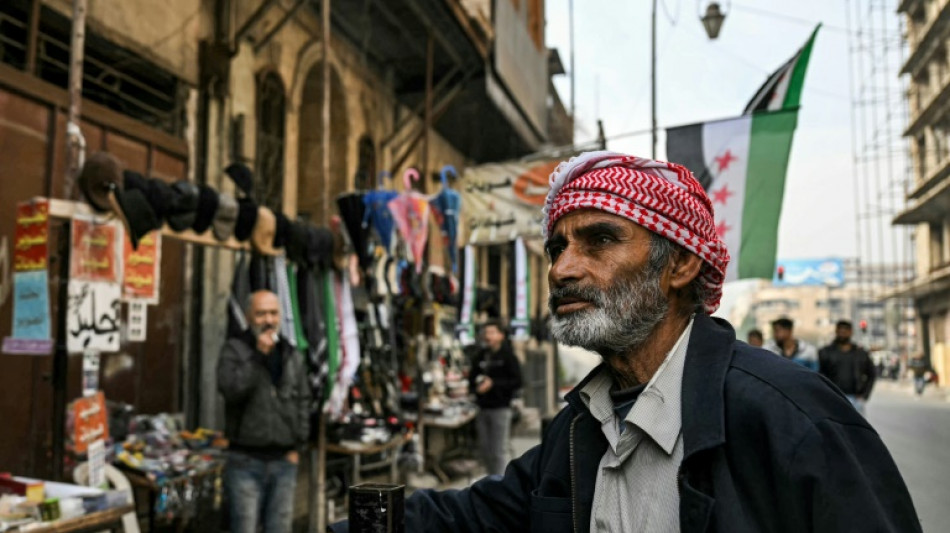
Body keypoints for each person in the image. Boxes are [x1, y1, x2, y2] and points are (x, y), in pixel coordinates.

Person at [329, 152, 919, 532]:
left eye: (600, 240)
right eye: (557, 248)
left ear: (680, 263)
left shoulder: (789, 419)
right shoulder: (580, 427)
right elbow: (479, 516)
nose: (562, 269)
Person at [217, 290, 311, 533]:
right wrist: (258, 356)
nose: (268, 320)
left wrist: (297, 445)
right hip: (245, 461)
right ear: (249, 317)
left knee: (279, 528)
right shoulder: (235, 350)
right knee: (244, 527)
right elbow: (231, 390)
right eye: (261, 314)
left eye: (273, 313)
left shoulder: (290, 352)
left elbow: (303, 399)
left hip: (284, 461)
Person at [469, 319, 523, 476]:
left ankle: (501, 482)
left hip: (501, 408)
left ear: (501, 335)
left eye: (492, 332)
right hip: (482, 408)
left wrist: (493, 384)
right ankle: (491, 480)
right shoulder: (479, 356)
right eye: (486, 333)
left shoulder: (508, 356)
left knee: (499, 450)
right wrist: (476, 388)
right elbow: (471, 380)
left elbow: (517, 382)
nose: (488, 336)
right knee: (485, 450)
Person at [818, 320, 876, 415]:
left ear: (851, 332)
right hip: (833, 397)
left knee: (856, 424)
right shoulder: (825, 352)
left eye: (845, 331)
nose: (842, 333)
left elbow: (872, 374)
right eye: (840, 330)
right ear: (836, 331)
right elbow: (820, 374)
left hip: (855, 399)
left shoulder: (860, 353)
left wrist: (864, 395)